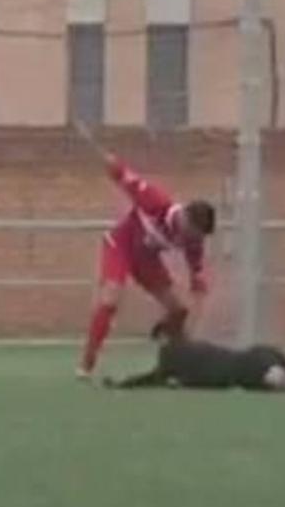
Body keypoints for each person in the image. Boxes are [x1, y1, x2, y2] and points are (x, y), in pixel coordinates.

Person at [77, 146, 216, 379]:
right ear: (185, 219)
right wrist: (114, 166)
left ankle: (177, 359)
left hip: (147, 260)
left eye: (197, 238)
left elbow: (198, 280)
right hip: (120, 246)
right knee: (111, 297)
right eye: (193, 233)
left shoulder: (194, 242)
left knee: (179, 310)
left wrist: (197, 302)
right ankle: (87, 362)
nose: (193, 240)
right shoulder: (155, 201)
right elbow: (125, 176)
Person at [102, 307, 285, 392]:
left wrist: (120, 385)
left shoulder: (171, 360)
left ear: (163, 338)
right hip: (258, 355)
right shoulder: (192, 347)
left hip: (255, 372)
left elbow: (152, 379)